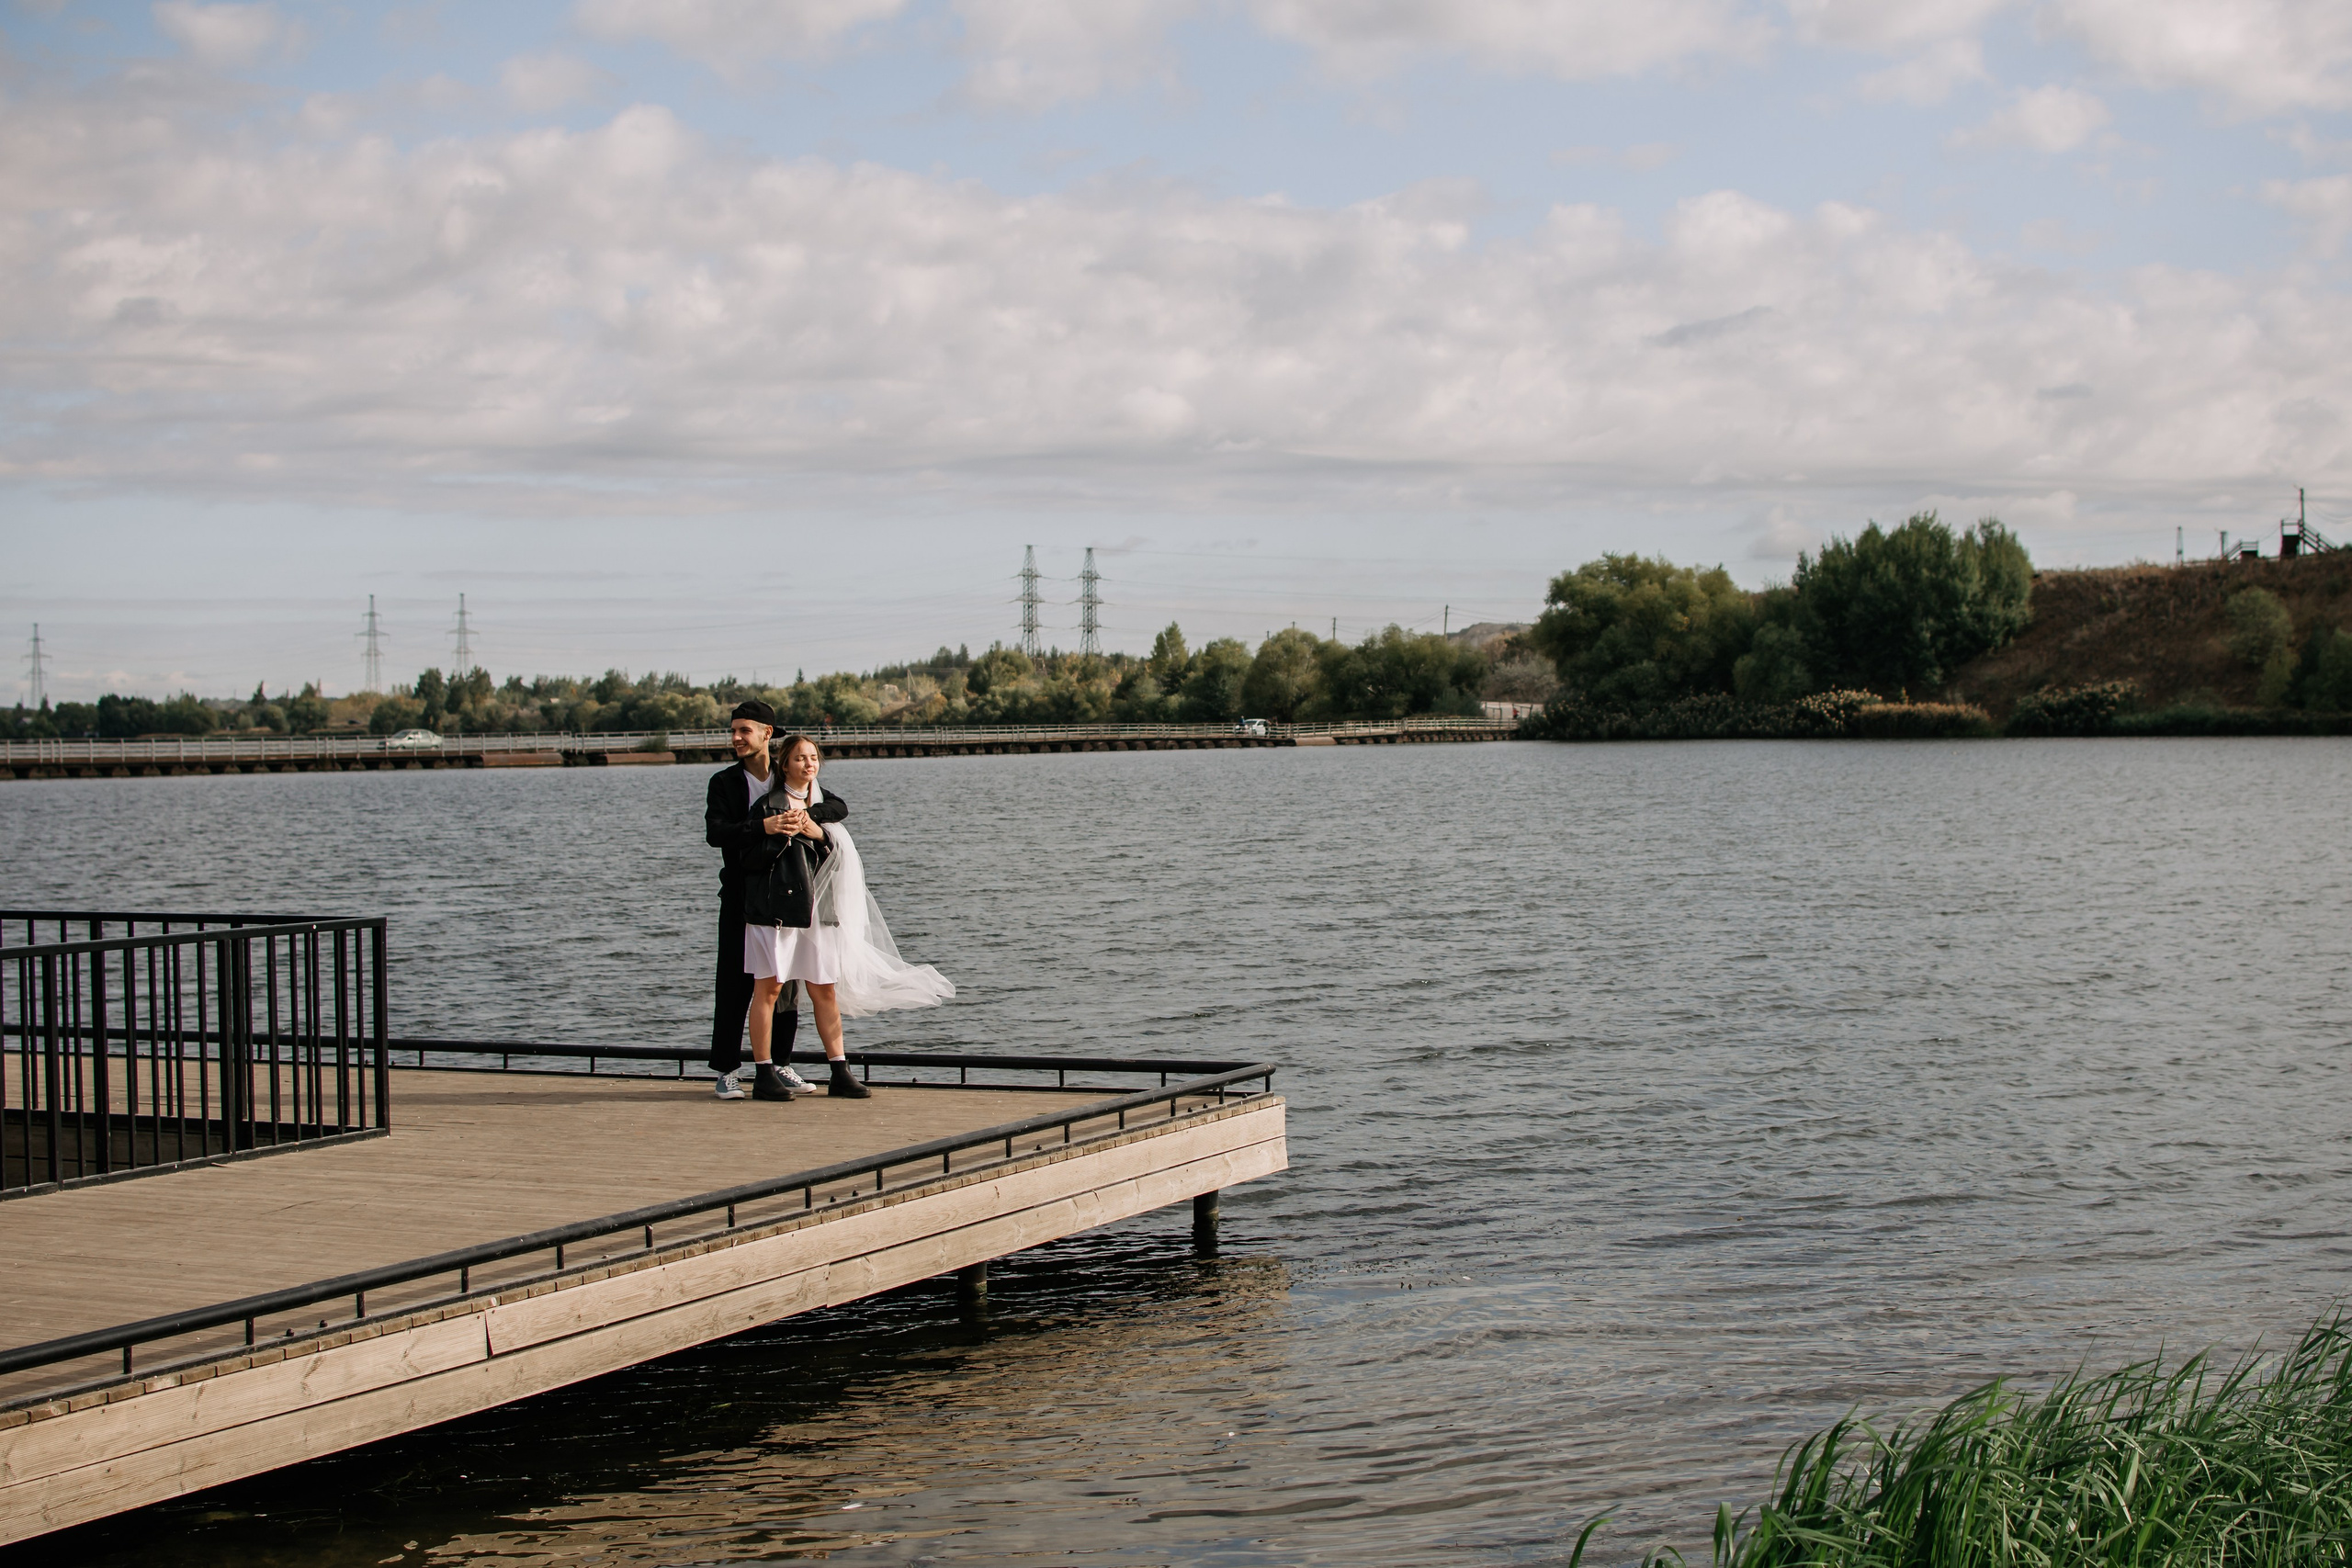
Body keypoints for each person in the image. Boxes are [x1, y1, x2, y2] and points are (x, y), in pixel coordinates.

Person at [744, 734, 955, 1096]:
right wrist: (780, 834)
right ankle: (764, 1072)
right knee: (769, 989)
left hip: (819, 910)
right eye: (799, 759)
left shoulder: (823, 803)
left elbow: (833, 847)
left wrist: (818, 834)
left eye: (812, 757)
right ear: (784, 765)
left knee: (824, 989)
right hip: (777, 912)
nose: (808, 764)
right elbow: (748, 861)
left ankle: (839, 1072)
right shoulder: (768, 806)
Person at [704, 700, 842, 1101]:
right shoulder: (724, 782)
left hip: (785, 899)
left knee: (786, 986)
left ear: (767, 733)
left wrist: (807, 814)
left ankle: (780, 1064)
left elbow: (837, 806)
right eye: (733, 731)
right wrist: (762, 826)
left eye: (744, 730)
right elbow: (716, 833)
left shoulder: (787, 776)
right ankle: (727, 1070)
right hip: (740, 897)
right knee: (734, 984)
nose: (735, 738)